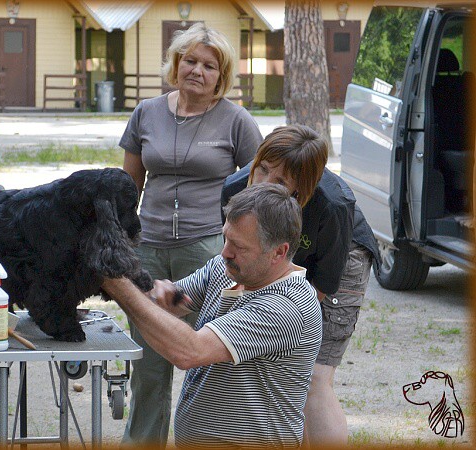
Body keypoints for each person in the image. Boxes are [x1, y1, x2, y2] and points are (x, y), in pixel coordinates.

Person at [119, 22, 263, 447]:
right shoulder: (146, 112)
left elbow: (258, 195)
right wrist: (124, 248)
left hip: (209, 254)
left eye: (209, 65)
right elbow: (127, 189)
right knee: (147, 363)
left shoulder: (237, 121)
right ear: (176, 63)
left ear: (222, 75)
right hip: (148, 251)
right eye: (190, 61)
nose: (197, 71)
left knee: (209, 361)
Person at [102, 183, 322, 449]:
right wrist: (156, 295)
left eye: (238, 246)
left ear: (279, 252)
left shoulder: (287, 305)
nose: (225, 252)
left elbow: (188, 351)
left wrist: (112, 279)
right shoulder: (226, 269)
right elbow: (163, 308)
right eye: (225, 237)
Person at [221, 125, 381, 446]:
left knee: (314, 380)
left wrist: (285, 329)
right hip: (281, 257)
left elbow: (317, 292)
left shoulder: (333, 205)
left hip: (342, 256)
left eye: (280, 182)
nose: (264, 184)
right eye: (262, 170)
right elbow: (235, 260)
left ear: (302, 189)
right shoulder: (234, 190)